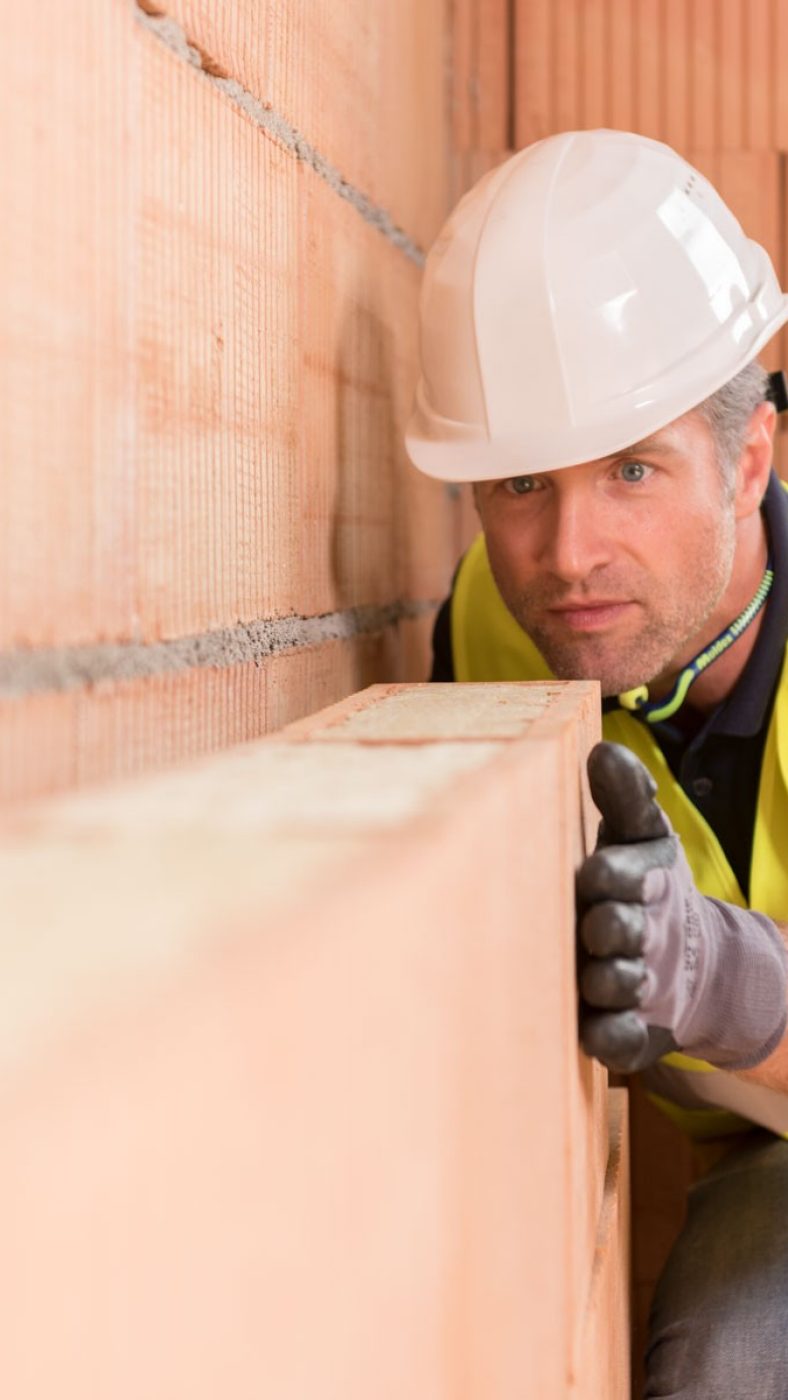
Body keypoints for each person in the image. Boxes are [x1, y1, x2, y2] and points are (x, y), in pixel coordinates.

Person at [404, 129, 788, 1397]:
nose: (566, 555)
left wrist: (724, 981)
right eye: (519, 482)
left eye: (630, 469)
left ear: (746, 463)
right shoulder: (485, 633)